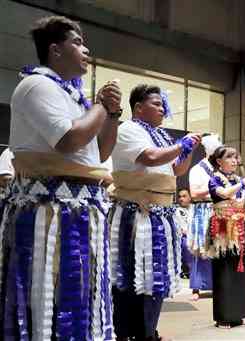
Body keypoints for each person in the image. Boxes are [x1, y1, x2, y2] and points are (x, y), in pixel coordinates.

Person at [1, 16, 121, 340]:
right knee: (47, 298)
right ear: (55, 50)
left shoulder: (74, 97)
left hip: (80, 212)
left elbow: (102, 153)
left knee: (77, 297)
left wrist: (111, 114)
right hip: (49, 213)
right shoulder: (37, 85)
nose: (86, 49)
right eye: (78, 43)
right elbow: (68, 140)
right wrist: (99, 106)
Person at [109, 84, 201, 340]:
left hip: (159, 213)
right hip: (135, 213)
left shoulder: (159, 134)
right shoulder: (128, 129)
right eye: (156, 104)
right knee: (132, 273)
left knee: (155, 276)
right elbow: (149, 157)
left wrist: (189, 149)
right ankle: (128, 333)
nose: (163, 109)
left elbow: (177, 170)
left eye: (163, 104)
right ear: (139, 107)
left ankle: (148, 331)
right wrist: (181, 145)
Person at [205, 145, 245, 328]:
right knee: (224, 268)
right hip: (223, 227)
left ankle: (238, 312)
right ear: (219, 161)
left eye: (235, 157)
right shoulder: (215, 178)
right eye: (229, 157)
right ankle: (224, 315)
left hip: (239, 226)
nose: (234, 160)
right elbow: (223, 193)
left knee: (240, 268)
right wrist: (242, 185)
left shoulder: (239, 179)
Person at [187, 134, 222, 300]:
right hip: (202, 210)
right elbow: (194, 193)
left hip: (218, 209)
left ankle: (217, 284)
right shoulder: (197, 169)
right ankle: (197, 287)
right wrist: (216, 189)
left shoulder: (220, 170)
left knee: (217, 249)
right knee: (201, 248)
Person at [174, 188, 194, 279]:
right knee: (186, 243)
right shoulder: (175, 211)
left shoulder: (195, 209)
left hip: (196, 235)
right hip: (183, 237)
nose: (181, 199)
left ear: (190, 197)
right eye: (180, 197)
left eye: (184, 196)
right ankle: (189, 271)